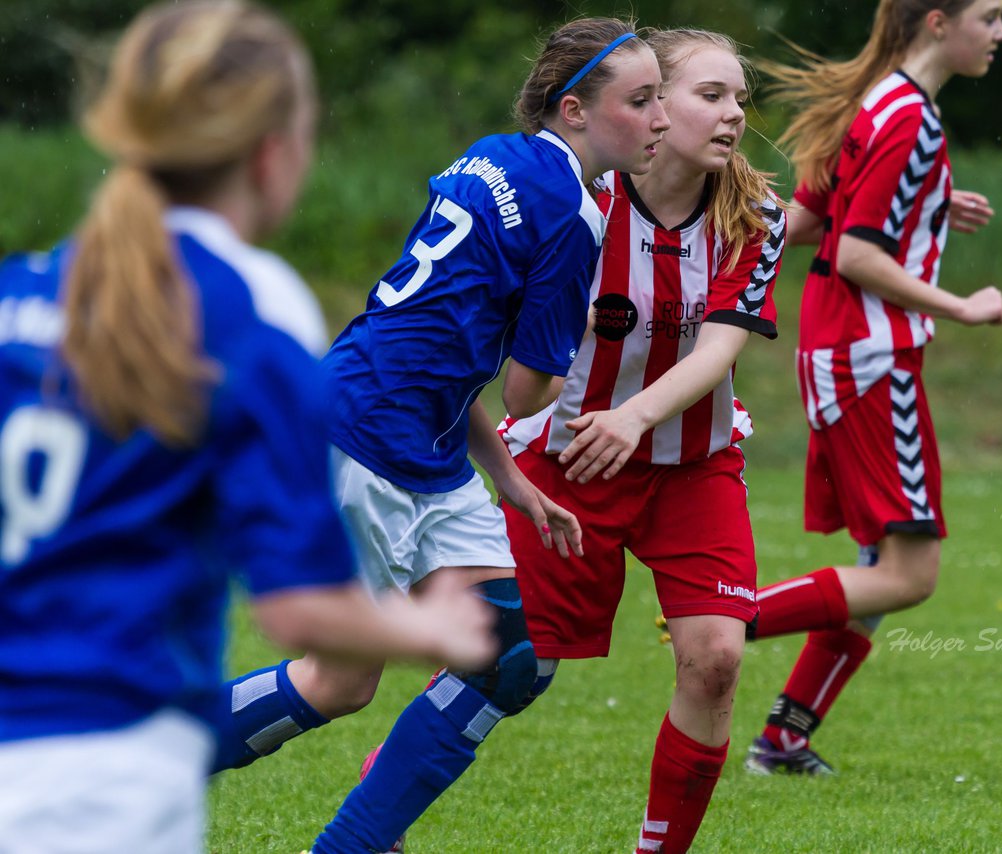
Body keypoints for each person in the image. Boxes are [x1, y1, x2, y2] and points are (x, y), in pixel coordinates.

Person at [0, 2, 496, 852]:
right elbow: (301, 606)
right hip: (106, 779)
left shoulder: (25, 291)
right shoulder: (245, 307)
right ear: (274, 154)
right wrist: (427, 631)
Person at [208, 17, 670, 853]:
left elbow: (447, 350)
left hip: (417, 430)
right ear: (575, 110)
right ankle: (133, 751)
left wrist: (515, 484)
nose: (661, 121)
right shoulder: (575, 211)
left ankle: (353, 843)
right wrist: (588, 332)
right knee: (341, 684)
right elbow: (530, 386)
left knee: (508, 657)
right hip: (365, 439)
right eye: (641, 101)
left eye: (662, 100)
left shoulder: (494, 154)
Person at [499, 28, 786, 853]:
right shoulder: (579, 202)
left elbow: (720, 350)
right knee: (509, 672)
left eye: (740, 98)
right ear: (656, 104)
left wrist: (635, 417)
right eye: (710, 95)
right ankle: (383, 809)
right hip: (567, 463)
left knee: (716, 660)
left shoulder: (755, 214)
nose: (733, 114)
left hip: (693, 468)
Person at [737, 0, 1002, 777]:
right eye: (988, 17)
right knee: (908, 572)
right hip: (870, 360)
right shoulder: (909, 117)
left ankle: (784, 738)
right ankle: (727, 618)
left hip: (841, 354)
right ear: (935, 21)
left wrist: (927, 204)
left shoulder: (882, 101)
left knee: (878, 560)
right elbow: (858, 253)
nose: (1000, 34)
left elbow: (813, 217)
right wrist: (963, 305)